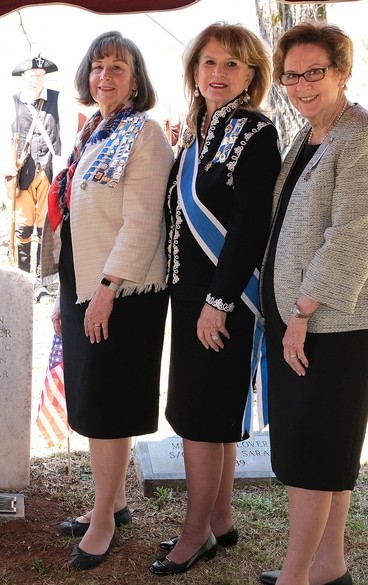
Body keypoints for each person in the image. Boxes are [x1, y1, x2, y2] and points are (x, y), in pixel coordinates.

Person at [153, 22, 281, 576]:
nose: (219, 74)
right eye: (209, 62)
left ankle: (195, 532)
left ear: (252, 75)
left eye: (232, 64)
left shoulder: (256, 133)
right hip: (192, 299)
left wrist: (219, 301)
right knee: (214, 412)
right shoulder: (199, 131)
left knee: (201, 417)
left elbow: (252, 227)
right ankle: (221, 518)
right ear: (194, 70)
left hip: (220, 302)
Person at [44, 31, 173, 571]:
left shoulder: (143, 134)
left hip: (122, 290)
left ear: (136, 79)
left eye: (117, 68)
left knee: (107, 408)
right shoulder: (97, 131)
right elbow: (77, 216)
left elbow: (142, 221)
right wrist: (66, 292)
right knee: (95, 401)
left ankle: (102, 522)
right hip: (85, 285)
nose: (104, 77)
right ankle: (113, 502)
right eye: (97, 67)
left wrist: (105, 291)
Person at [258, 22, 368, 585]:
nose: (301, 85)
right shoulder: (309, 133)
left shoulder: (359, 135)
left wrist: (301, 314)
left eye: (314, 73)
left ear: (342, 72)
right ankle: (329, 569)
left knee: (313, 461)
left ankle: (296, 576)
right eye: (292, 75)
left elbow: (352, 233)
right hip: (301, 317)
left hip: (331, 324)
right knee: (326, 455)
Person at [8, 55, 61, 300]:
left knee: (44, 228)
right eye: (31, 76)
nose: (36, 80)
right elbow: (6, 136)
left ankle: (40, 281)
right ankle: (23, 278)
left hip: (48, 170)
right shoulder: (14, 102)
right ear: (23, 77)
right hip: (23, 173)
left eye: (40, 76)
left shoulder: (57, 100)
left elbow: (64, 136)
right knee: (23, 227)